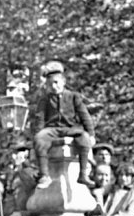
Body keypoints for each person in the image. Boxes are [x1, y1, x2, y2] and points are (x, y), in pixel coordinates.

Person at [33, 60, 95, 189]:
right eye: (50, 84)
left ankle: (83, 174)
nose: (53, 86)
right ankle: (44, 175)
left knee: (84, 138)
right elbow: (40, 118)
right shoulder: (44, 99)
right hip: (52, 129)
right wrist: (37, 134)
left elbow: (84, 115)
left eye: (56, 83)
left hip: (70, 128)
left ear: (63, 82)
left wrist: (91, 134)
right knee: (40, 138)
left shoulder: (73, 96)